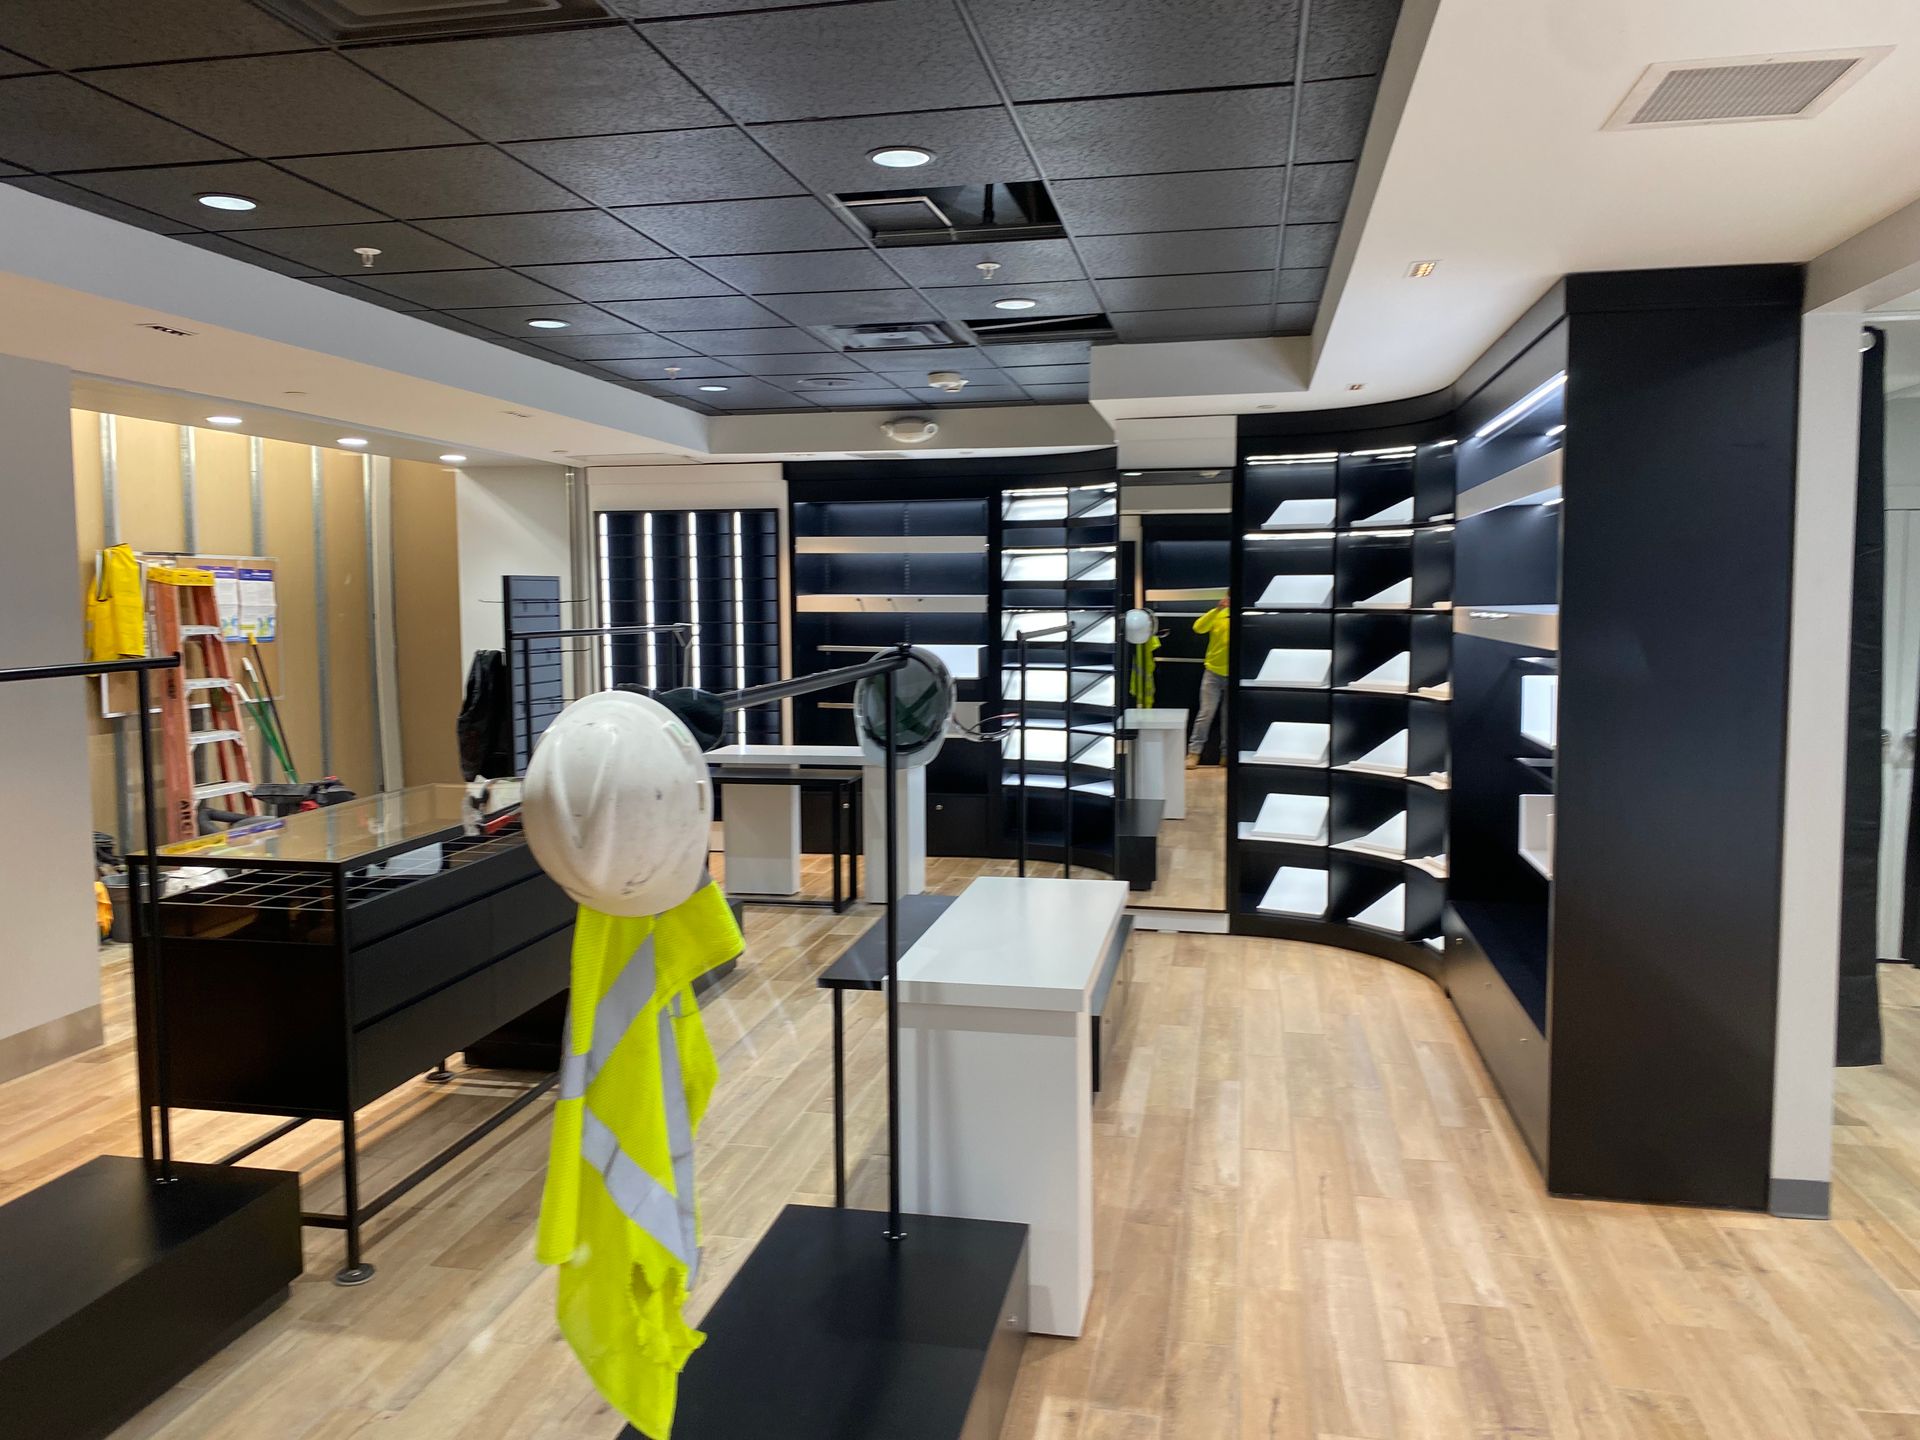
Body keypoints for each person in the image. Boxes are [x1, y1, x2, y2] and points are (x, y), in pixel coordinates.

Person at [1188, 597, 1229, 766]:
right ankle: (1194, 753)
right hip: (1212, 671)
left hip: (1235, 673)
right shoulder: (1218, 614)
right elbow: (1198, 628)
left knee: (1229, 716)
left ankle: (1226, 755)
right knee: (1206, 713)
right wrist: (1216, 610)